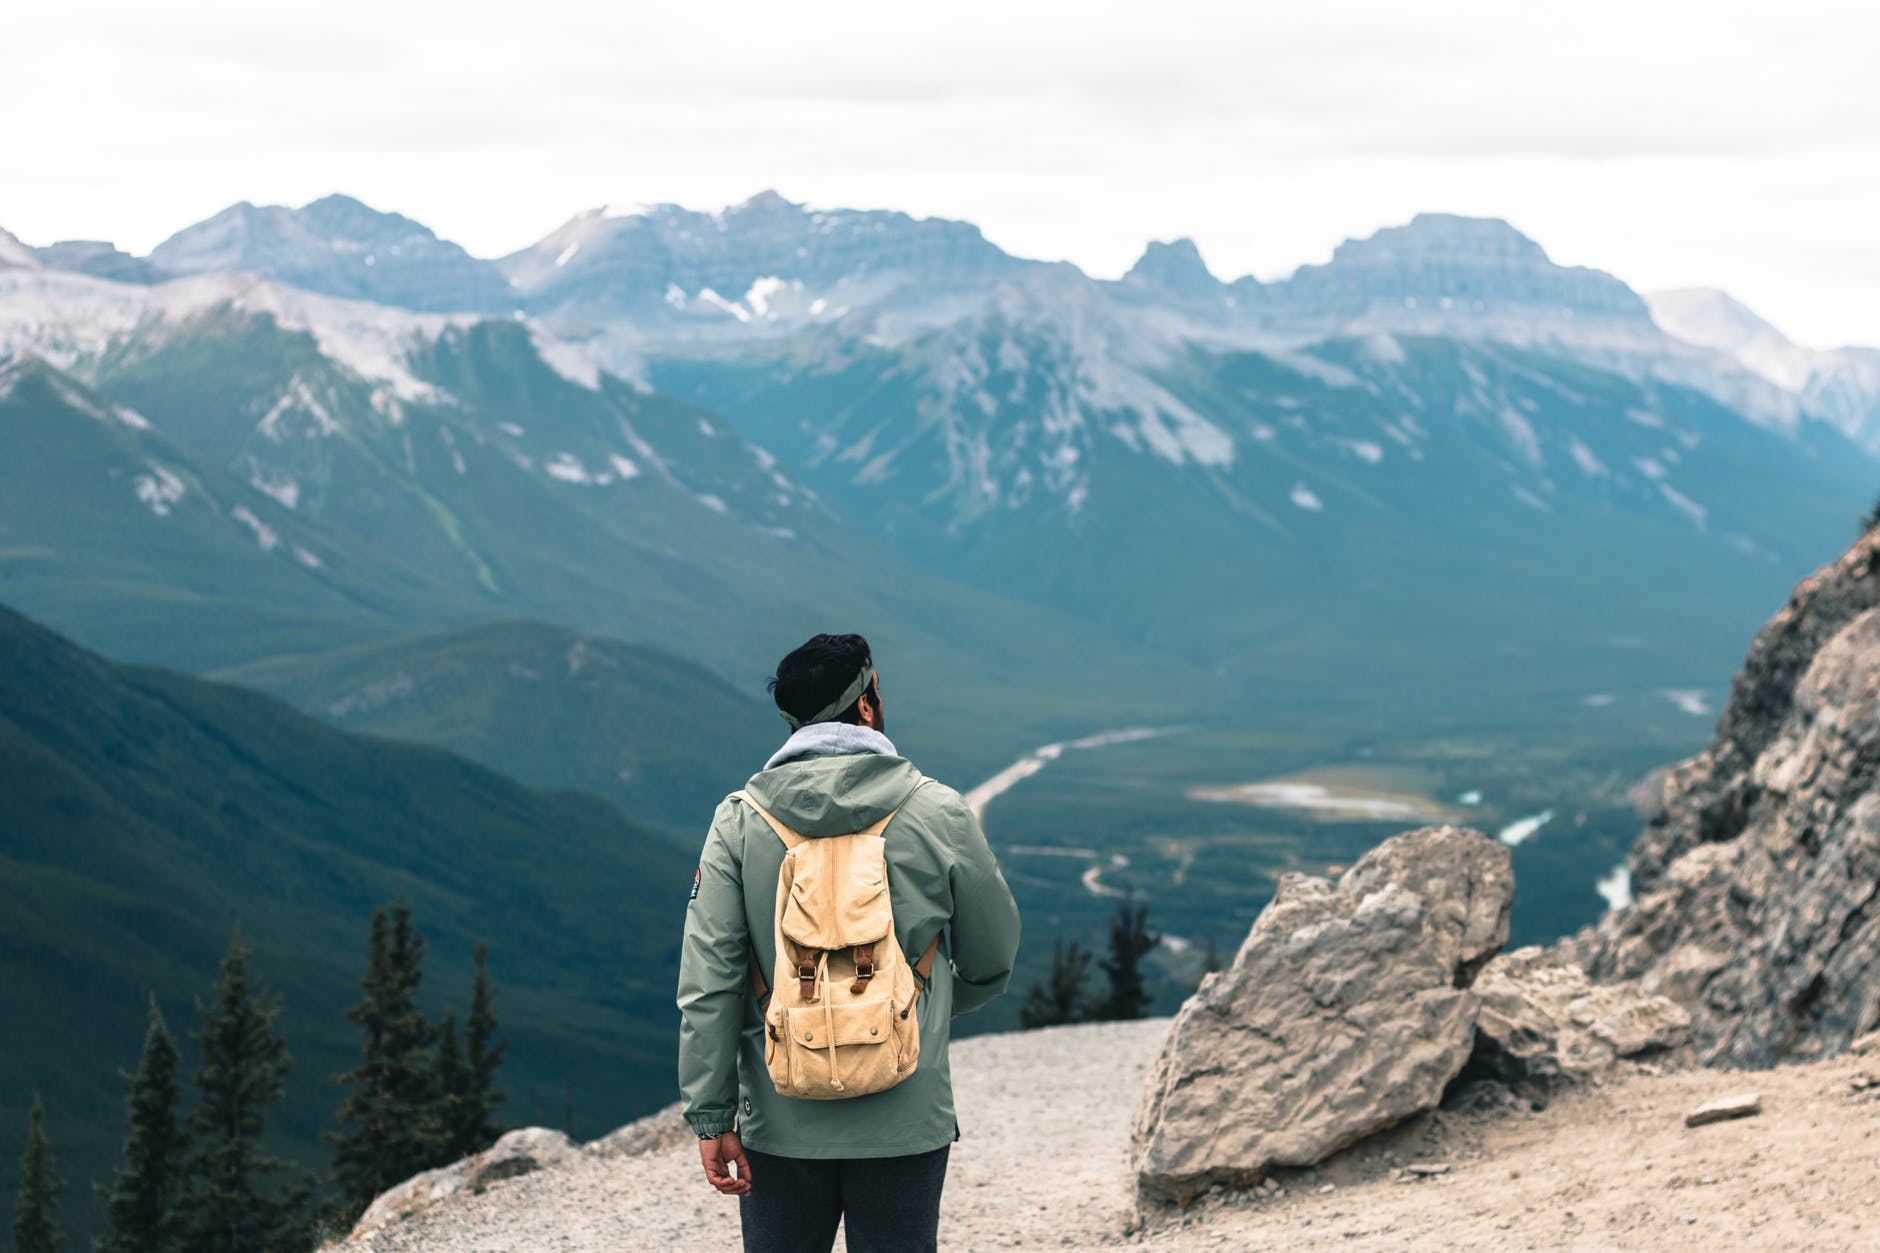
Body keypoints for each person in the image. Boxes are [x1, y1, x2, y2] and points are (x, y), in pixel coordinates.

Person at [677, 633, 1022, 1253]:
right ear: (866, 705)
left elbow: (709, 984)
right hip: (905, 1114)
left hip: (779, 1120)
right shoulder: (937, 810)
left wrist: (710, 1114)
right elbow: (992, 957)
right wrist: (917, 1006)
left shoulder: (738, 820)